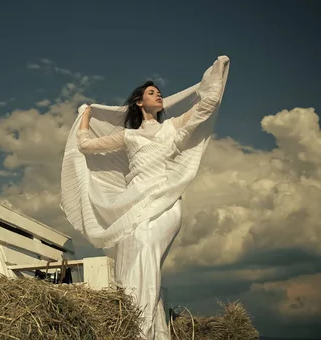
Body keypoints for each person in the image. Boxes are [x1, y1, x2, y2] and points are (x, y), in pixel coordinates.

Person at [59, 56, 230, 340]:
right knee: (132, 256)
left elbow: (206, 106)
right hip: (134, 201)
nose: (159, 94)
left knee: (145, 251)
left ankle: (139, 331)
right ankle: (144, 330)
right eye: (152, 92)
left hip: (164, 202)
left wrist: (215, 75)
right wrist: (85, 113)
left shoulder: (173, 127)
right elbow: (86, 145)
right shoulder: (129, 136)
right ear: (139, 102)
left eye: (159, 92)